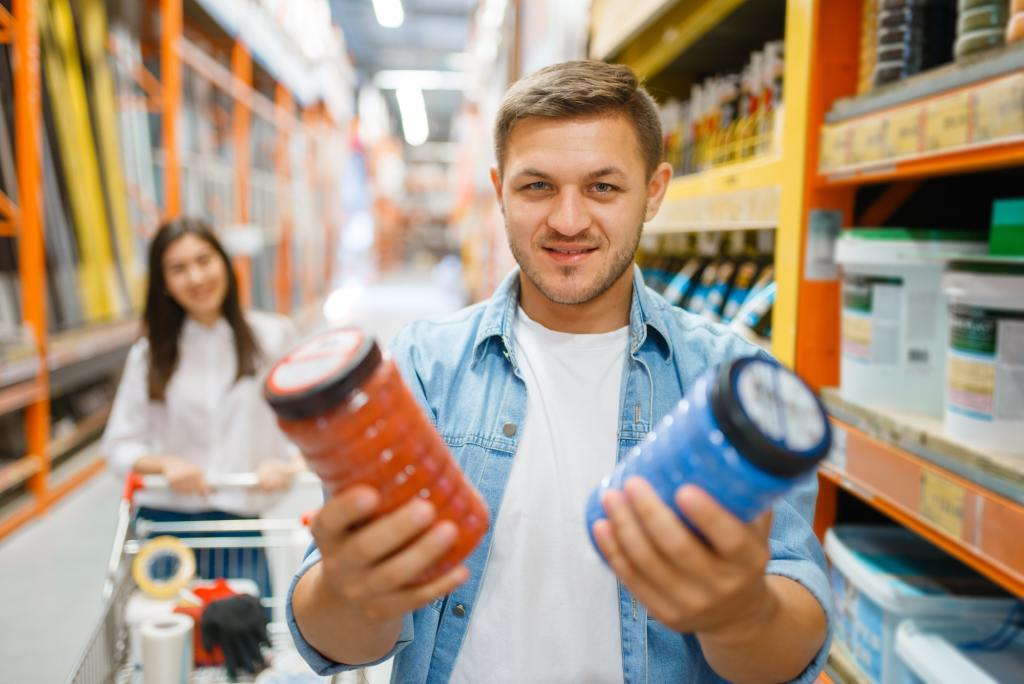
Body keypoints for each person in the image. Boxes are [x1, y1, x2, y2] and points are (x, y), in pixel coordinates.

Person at [287, 61, 831, 683]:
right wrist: (348, 590)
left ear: (654, 191)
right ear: (498, 189)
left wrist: (742, 614)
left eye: (603, 187)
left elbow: (791, 641)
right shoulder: (422, 367)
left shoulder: (733, 382)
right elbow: (343, 644)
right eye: (537, 186)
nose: (568, 221)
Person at [103, 217, 302, 593]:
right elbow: (118, 445)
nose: (196, 277)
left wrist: (288, 466)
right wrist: (165, 464)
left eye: (204, 260)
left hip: (238, 527)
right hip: (165, 529)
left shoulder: (272, 337)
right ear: (164, 285)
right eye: (179, 269)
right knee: (169, 646)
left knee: (247, 646)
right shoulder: (149, 356)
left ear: (224, 263)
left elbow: (309, 428)